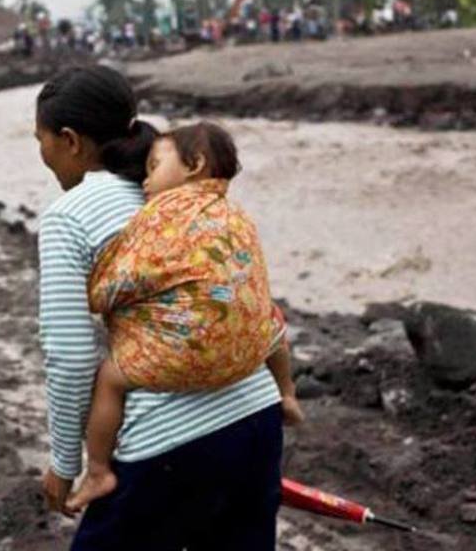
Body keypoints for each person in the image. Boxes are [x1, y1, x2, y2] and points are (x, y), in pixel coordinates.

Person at [36, 66, 284, 550]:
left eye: (39, 140)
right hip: (258, 415)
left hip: (168, 444)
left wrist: (66, 464)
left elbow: (69, 354)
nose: (41, 153)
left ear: (69, 140)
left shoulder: (70, 216)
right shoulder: (188, 190)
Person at [65, 121, 302, 512]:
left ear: (194, 165)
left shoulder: (161, 215)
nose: (144, 181)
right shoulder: (236, 215)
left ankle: (99, 472)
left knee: (109, 378)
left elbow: (124, 277)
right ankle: (288, 393)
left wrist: (95, 291)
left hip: (189, 359)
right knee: (269, 318)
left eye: (154, 167)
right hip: (248, 355)